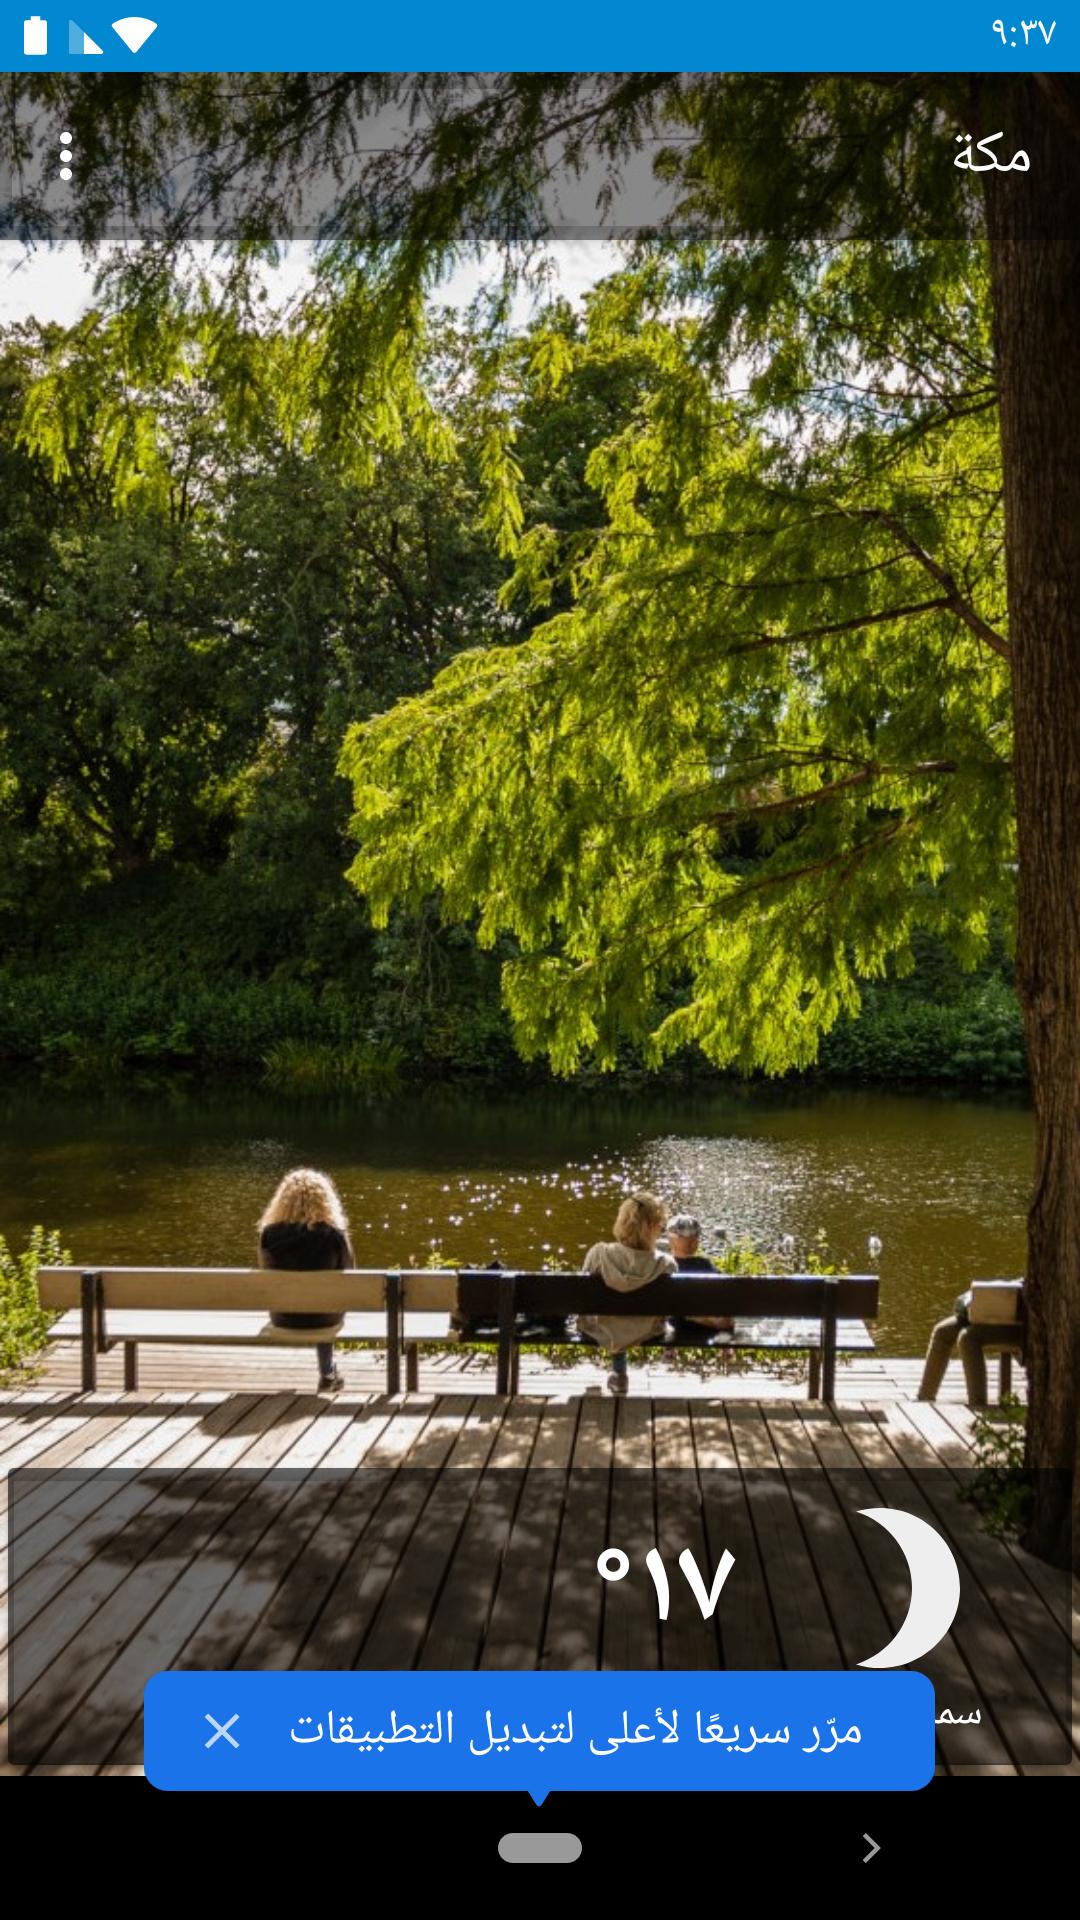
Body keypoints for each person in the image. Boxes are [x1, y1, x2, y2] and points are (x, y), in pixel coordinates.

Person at [257, 1167, 353, 1393]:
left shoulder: (269, 1234)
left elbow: (266, 1271)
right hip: (324, 1319)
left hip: (283, 1316)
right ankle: (327, 1373)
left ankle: (328, 1372)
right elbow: (350, 1274)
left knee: (317, 1299)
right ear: (325, 1199)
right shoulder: (333, 1235)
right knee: (324, 1300)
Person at [580, 1191, 676, 1397]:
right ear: (652, 1228)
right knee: (633, 1320)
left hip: (603, 1326)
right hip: (648, 1328)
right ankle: (620, 1372)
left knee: (613, 1321)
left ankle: (619, 1373)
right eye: (660, 1226)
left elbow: (583, 1295)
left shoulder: (599, 1253)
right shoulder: (665, 1264)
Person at [667, 1212, 734, 1336]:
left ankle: (670, 1351)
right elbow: (724, 1289)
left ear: (671, 1240)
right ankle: (727, 1352)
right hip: (703, 1326)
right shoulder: (704, 1264)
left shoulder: (664, 1265)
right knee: (724, 1318)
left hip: (674, 1324)